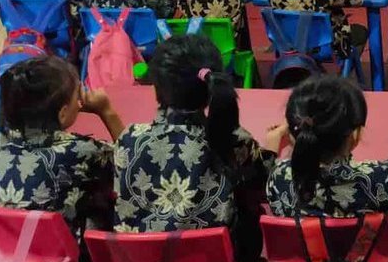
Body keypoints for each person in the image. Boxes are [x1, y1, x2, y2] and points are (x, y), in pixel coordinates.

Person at [114, 36, 280, 241]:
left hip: (140, 261)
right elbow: (265, 180)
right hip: (214, 260)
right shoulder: (236, 140)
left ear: (157, 87)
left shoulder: (129, 138)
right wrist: (274, 143)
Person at [266, 76, 388, 262]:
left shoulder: (279, 177)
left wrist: (273, 140)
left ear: (293, 133)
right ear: (355, 135)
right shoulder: (377, 178)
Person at [0, 56, 123, 236]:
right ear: (63, 113)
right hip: (58, 257)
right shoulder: (81, 151)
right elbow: (132, 163)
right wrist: (106, 110)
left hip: (3, 252)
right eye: (76, 97)